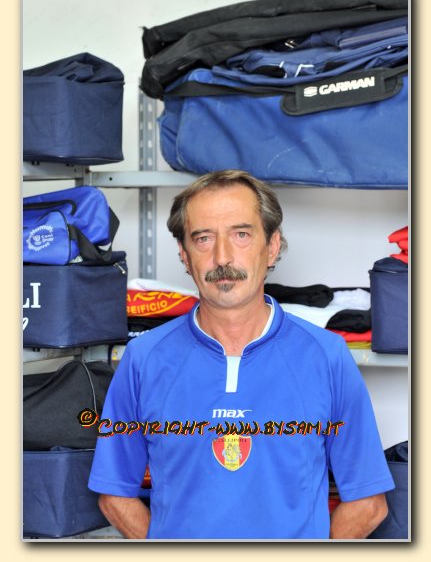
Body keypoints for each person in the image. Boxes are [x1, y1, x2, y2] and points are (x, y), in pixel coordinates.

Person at [88, 169, 394, 540]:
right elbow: (114, 493)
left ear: (273, 246)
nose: (222, 257)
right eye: (203, 238)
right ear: (184, 255)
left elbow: (368, 503)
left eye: (241, 234)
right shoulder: (144, 358)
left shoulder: (327, 356)